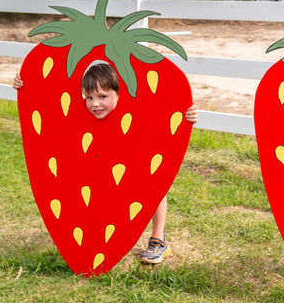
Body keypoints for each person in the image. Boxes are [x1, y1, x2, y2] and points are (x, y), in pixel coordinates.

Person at [13, 62, 198, 265]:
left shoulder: (136, 111)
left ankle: (158, 240)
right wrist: (25, 86)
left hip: (131, 157)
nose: (95, 104)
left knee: (154, 183)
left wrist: (187, 114)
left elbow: (165, 110)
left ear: (119, 94)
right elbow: (49, 105)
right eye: (89, 97)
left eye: (103, 96)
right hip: (100, 163)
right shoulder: (80, 111)